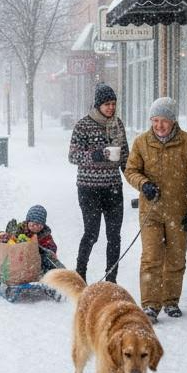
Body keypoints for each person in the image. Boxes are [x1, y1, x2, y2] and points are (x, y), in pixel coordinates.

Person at [123, 98, 187, 323]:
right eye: (155, 120)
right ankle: (150, 305)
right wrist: (143, 184)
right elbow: (130, 170)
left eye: (164, 121)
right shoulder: (141, 142)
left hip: (179, 211)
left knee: (176, 258)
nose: (159, 125)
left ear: (173, 121)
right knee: (151, 258)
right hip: (151, 211)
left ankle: (171, 300)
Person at [68, 83, 129, 283]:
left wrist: (137, 178)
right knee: (91, 233)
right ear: (98, 105)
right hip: (89, 188)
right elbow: (73, 156)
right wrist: (95, 154)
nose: (111, 108)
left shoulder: (118, 125)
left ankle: (111, 278)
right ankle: (80, 274)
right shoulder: (83, 125)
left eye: (113, 104)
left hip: (113, 188)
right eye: (107, 104)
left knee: (114, 236)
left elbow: (126, 157)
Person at [18, 204, 64, 273]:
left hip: (37, 263)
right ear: (28, 222)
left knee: (48, 261)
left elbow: (51, 247)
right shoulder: (20, 230)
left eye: (39, 225)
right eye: (33, 224)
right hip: (20, 259)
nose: (36, 227)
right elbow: (10, 237)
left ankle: (51, 275)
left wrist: (47, 251)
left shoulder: (45, 235)